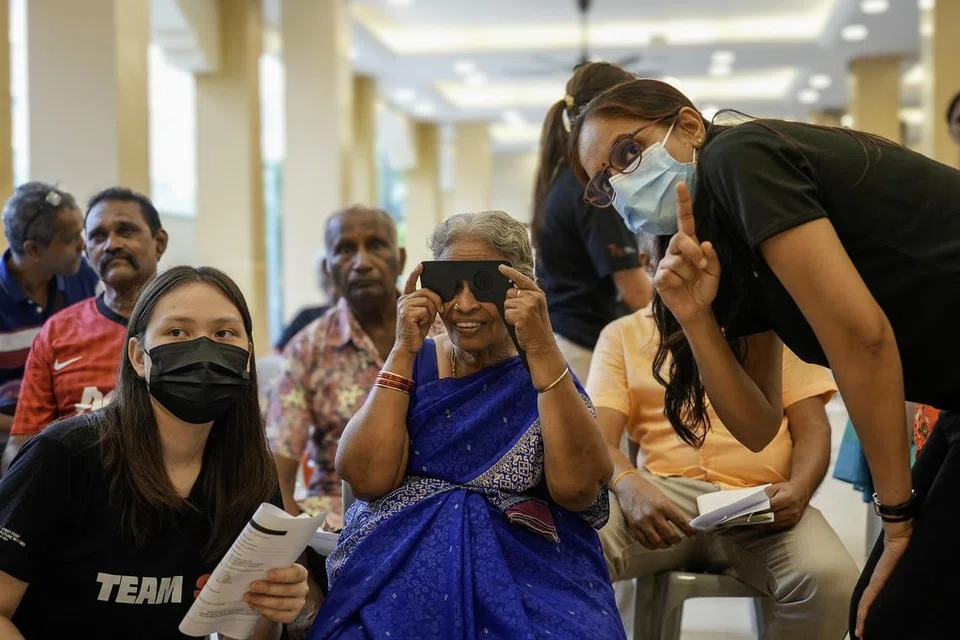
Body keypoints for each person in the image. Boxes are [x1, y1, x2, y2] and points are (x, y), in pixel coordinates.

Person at [571, 77, 960, 639]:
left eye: (628, 152)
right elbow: (757, 424)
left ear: (689, 125)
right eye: (604, 182)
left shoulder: (740, 157)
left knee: (895, 612)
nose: (621, 182)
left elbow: (863, 341)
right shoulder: (725, 243)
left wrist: (896, 518)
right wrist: (696, 320)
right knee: (884, 612)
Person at [310, 210, 622, 640]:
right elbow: (365, 478)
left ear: (520, 287)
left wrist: (542, 347)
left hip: (529, 566)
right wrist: (403, 349)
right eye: (449, 286)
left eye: (483, 284)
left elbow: (579, 489)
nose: (465, 305)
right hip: (404, 559)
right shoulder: (414, 362)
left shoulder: (545, 370)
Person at [0, 266, 318, 638]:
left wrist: (272, 607)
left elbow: (247, 633)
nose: (204, 350)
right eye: (177, 332)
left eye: (224, 333)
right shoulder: (64, 456)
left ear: (247, 357)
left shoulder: (250, 472)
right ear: (138, 357)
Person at [588, 303, 858, 638]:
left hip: (760, 505)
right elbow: (598, 439)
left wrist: (799, 490)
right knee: (571, 543)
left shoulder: (774, 328)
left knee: (833, 581)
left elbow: (813, 429)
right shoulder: (623, 333)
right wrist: (628, 484)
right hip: (663, 497)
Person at [1, 188, 167, 470]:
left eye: (125, 230)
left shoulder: (192, 321)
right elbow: (23, 441)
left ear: (159, 242)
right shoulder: (57, 332)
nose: (111, 245)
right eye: (97, 236)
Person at [266, 206, 410, 525]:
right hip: (337, 522)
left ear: (400, 259)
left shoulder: (440, 333)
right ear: (328, 268)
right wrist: (300, 547)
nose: (362, 263)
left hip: (430, 512)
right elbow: (277, 477)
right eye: (345, 250)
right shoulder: (306, 349)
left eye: (376, 245)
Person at [531, 62, 652, 382]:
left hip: (568, 337)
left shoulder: (562, 180)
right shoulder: (592, 191)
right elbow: (637, 293)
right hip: (584, 346)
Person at [0, 183, 98, 455]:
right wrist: (39, 429)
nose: (83, 244)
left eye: (81, 232)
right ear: (33, 250)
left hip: (77, 427)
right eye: (70, 239)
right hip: (12, 435)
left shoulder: (84, 277)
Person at [275, 253, 338, 352]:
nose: (332, 288)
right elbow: (279, 349)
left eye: (333, 278)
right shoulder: (306, 316)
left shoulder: (356, 318)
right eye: (327, 279)